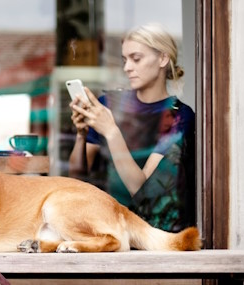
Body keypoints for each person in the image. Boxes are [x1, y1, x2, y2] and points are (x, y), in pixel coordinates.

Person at [68, 23, 196, 232]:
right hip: (106, 227)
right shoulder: (108, 104)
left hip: (154, 233)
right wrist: (82, 135)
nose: (127, 67)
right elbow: (76, 177)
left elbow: (141, 188)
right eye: (125, 60)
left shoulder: (179, 116)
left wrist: (111, 132)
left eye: (136, 59)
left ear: (163, 59)